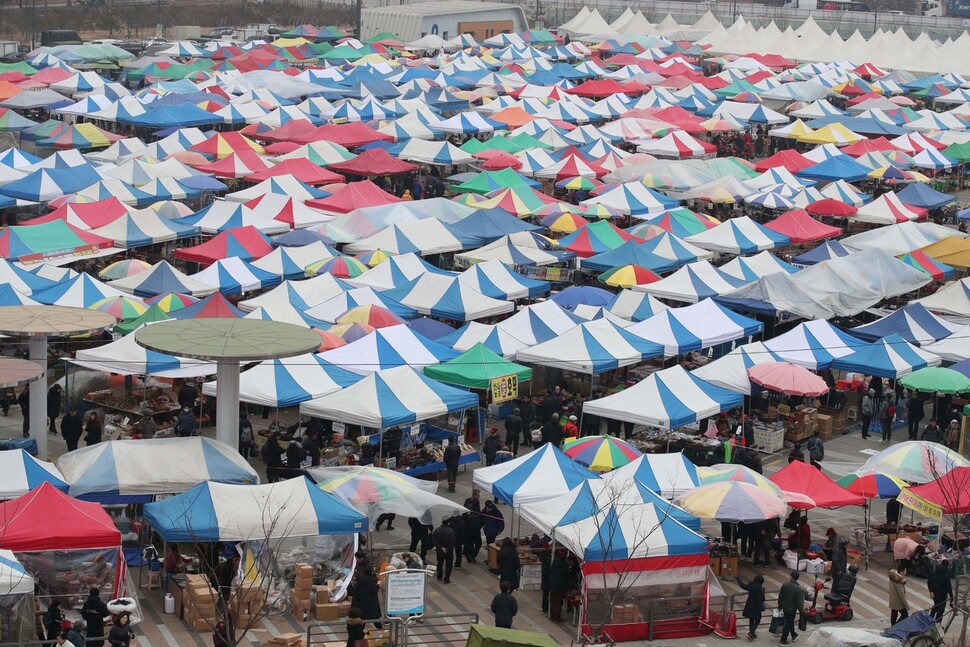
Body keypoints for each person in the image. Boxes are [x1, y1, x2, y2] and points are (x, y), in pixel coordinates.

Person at [778, 571, 805, 645]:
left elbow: (780, 596)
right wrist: (801, 612)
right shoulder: (798, 589)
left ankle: (793, 635)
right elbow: (799, 602)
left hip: (785, 607)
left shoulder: (785, 585)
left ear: (791, 577)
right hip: (792, 609)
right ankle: (783, 640)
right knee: (788, 623)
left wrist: (780, 605)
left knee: (789, 622)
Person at [737, 574, 765, 641]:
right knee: (758, 619)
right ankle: (751, 633)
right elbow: (763, 599)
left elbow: (743, 585)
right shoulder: (760, 588)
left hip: (749, 604)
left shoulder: (751, 585)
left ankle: (752, 633)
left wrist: (738, 579)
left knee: (751, 619)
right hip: (756, 606)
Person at [433, 519, 456, 584]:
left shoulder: (437, 530)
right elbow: (452, 542)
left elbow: (434, 541)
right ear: (448, 523)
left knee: (440, 563)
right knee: (449, 564)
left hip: (439, 550)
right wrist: (447, 549)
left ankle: (439, 575)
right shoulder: (451, 531)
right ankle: (446, 578)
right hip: (448, 551)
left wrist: (441, 547)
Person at [462, 490, 483, 563]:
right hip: (471, 527)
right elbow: (464, 514)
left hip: (474, 527)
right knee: (472, 542)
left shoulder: (476, 503)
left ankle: (469, 554)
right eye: (478, 495)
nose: (479, 497)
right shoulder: (470, 503)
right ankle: (470, 556)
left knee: (472, 542)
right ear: (474, 495)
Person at [548, 552, 568, 623]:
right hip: (560, 587)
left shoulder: (553, 564)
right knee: (559, 603)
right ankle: (557, 618)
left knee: (552, 602)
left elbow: (550, 574)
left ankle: (552, 616)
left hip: (552, 585)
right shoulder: (564, 566)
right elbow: (566, 577)